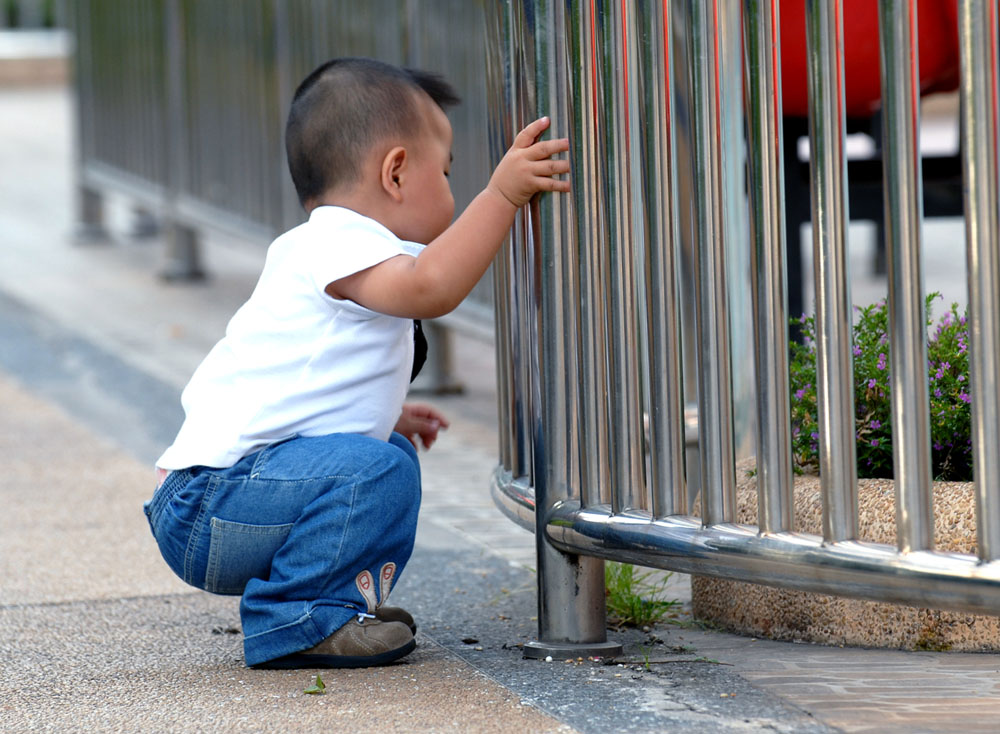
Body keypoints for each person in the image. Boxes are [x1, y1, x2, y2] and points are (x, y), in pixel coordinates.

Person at [143, 56, 570, 670]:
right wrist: (503, 193)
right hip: (210, 504)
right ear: (396, 173)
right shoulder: (335, 240)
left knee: (388, 457)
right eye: (447, 173)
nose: (454, 191)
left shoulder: (333, 247)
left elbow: (308, 389)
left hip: (225, 498)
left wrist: (383, 416)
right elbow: (431, 287)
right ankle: (298, 616)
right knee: (378, 471)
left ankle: (331, 603)